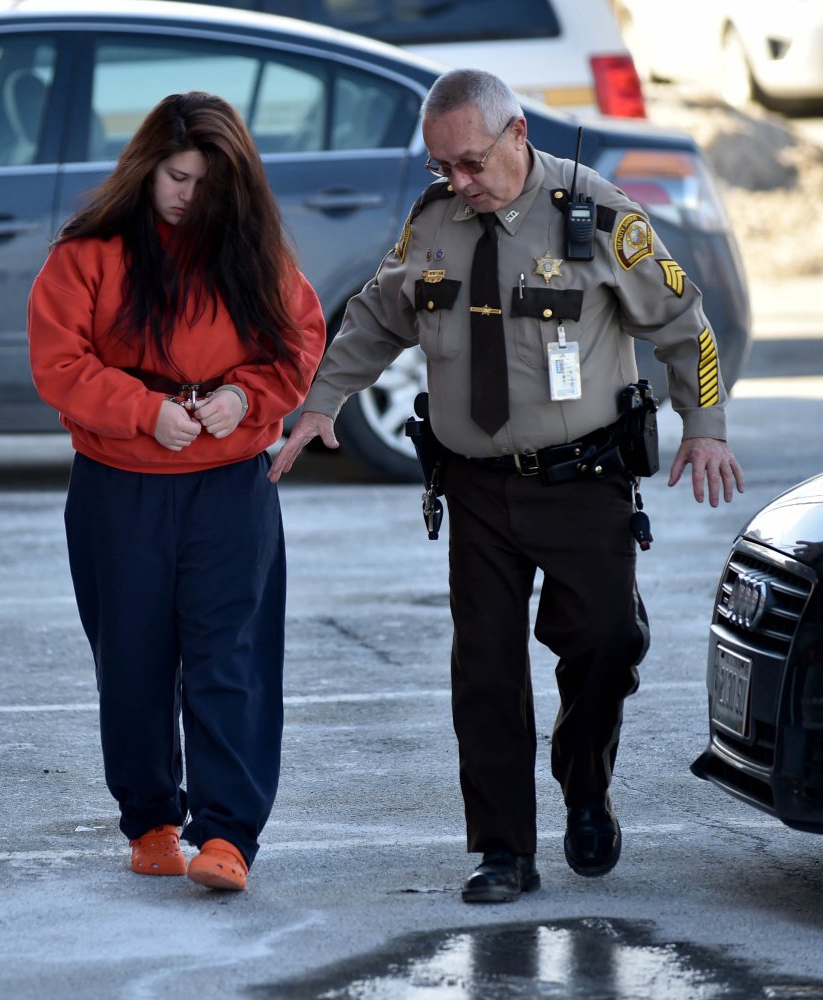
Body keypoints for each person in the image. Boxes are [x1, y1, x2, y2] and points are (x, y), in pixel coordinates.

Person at [269, 69, 745, 903]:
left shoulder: (596, 217)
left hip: (584, 480)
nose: (458, 183)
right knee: (484, 671)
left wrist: (703, 427)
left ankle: (584, 785)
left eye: (470, 164)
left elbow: (683, 322)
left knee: (602, 644)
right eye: (441, 168)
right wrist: (323, 402)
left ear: (517, 135)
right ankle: (502, 850)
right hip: (477, 489)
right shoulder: (434, 225)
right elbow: (379, 314)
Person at [28, 92, 326, 891]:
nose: (190, 196)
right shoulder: (88, 253)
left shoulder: (252, 249)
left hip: (230, 487)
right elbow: (59, 364)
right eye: (178, 176)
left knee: (231, 658)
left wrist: (246, 399)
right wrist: (142, 411)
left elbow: (299, 338)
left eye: (209, 183)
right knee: (131, 658)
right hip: (118, 488)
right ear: (146, 168)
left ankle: (228, 834)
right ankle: (153, 819)